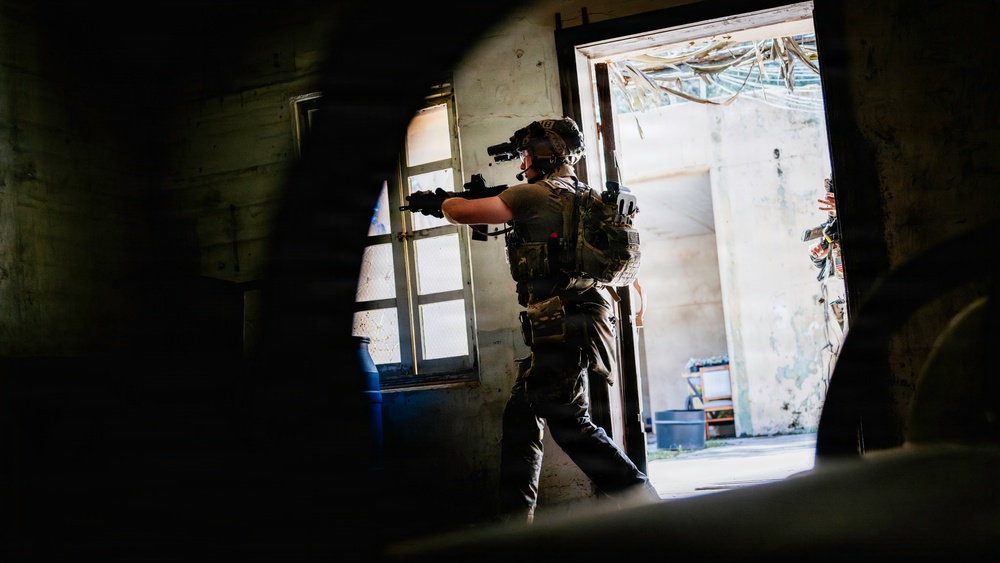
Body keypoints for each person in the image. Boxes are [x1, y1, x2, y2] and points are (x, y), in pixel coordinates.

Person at [414, 117, 659, 525]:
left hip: (563, 324)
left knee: (569, 424)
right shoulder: (592, 198)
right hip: (580, 322)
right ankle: (515, 526)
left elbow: (461, 213)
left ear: (547, 153)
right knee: (522, 414)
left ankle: (648, 508)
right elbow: (620, 268)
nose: (523, 161)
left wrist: (439, 201)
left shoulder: (529, 196)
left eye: (528, 153)